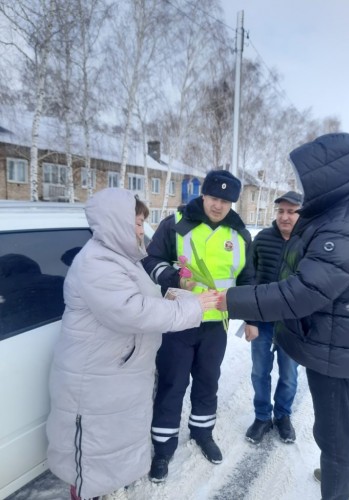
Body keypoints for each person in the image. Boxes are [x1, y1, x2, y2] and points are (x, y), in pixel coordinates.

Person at [217, 132, 349, 500]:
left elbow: (302, 292)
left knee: (334, 434)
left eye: (307, 178)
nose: (302, 186)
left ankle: (342, 487)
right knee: (347, 419)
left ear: (328, 176)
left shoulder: (346, 225)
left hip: (339, 348)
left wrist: (230, 300)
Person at [46, 188, 219, 500]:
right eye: (138, 223)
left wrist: (171, 296)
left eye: (142, 223)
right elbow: (132, 312)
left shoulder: (120, 258)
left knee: (107, 447)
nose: (142, 230)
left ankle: (104, 487)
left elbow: (139, 299)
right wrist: (194, 307)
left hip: (111, 373)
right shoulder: (97, 263)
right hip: (94, 378)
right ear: (116, 222)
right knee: (90, 454)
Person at [142, 169, 254, 483]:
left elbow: (248, 280)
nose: (219, 205)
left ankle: (203, 433)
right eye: (214, 198)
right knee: (171, 384)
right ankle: (163, 447)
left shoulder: (240, 234)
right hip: (178, 321)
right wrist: (175, 279)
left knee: (207, 383)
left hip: (215, 326)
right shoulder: (176, 223)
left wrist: (251, 317)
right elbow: (151, 261)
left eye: (226, 200)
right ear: (203, 194)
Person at [245, 191, 302, 445]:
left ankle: (282, 416)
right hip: (263, 319)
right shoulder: (262, 240)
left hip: (292, 323)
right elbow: (250, 281)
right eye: (280, 211)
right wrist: (250, 319)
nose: (285, 216)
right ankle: (261, 417)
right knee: (260, 371)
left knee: (289, 374)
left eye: (291, 211)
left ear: (301, 214)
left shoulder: (308, 242)